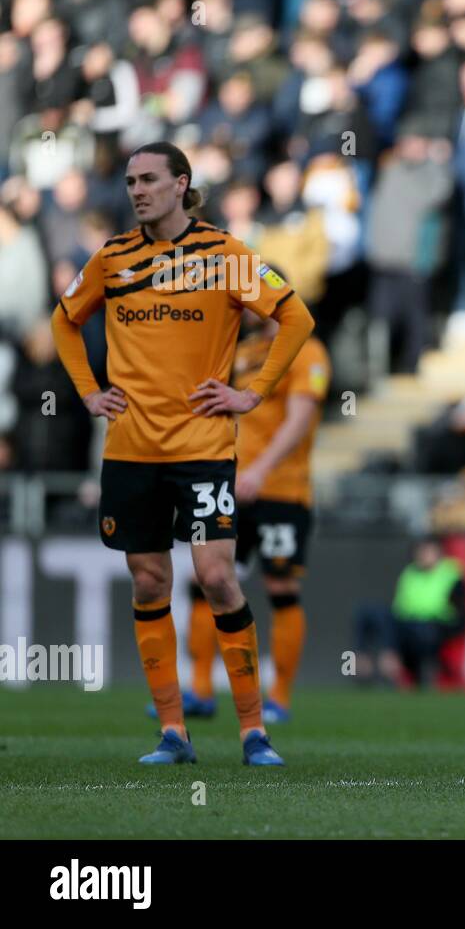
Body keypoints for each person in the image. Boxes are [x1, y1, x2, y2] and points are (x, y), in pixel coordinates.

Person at [51, 140, 314, 766]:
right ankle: (174, 732)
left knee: (219, 576)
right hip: (130, 450)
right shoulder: (112, 259)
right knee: (149, 581)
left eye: (148, 179)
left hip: (202, 448)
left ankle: (254, 732)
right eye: (129, 181)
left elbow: (295, 317)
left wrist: (252, 394)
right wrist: (88, 393)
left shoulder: (225, 254)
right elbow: (64, 320)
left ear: (180, 183)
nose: (136, 190)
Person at [178, 309, 331, 723]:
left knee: (280, 586)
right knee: (205, 580)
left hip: (281, 489)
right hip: (230, 485)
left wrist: (261, 470)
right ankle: (200, 690)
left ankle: (279, 697)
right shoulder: (243, 351)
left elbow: (301, 419)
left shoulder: (306, 349)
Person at [390, 536, 465, 688]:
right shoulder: (410, 573)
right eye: (421, 552)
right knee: (373, 616)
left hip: (441, 624)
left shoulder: (451, 573)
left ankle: (429, 674)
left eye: (427, 552)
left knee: (425, 632)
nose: (423, 555)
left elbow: (459, 611)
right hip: (410, 623)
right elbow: (399, 606)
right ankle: (374, 670)